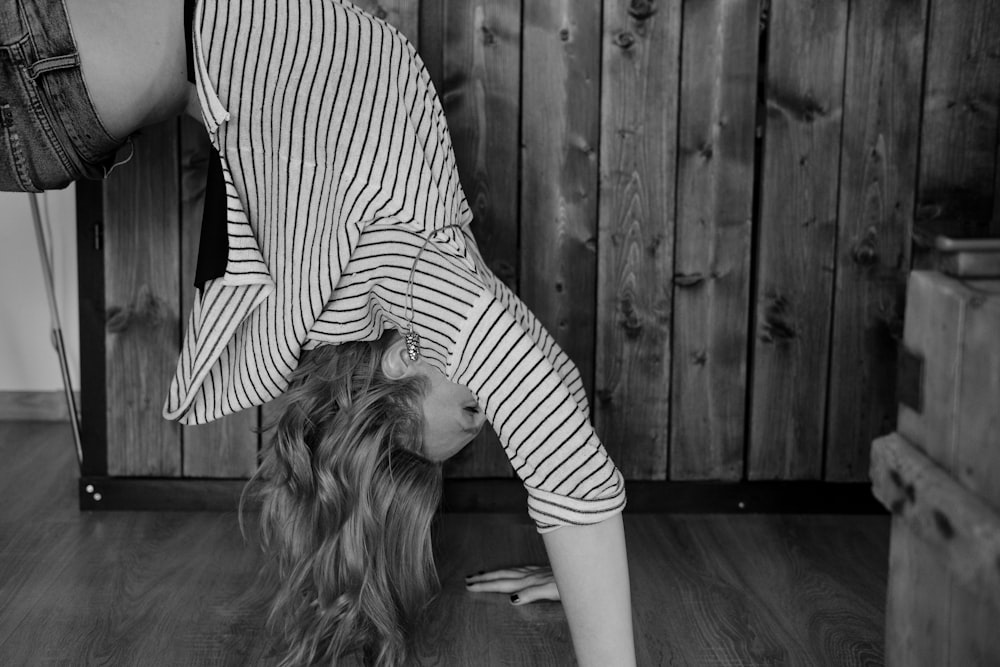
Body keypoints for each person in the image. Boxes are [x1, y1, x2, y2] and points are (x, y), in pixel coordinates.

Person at [2, 1, 637, 665]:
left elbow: (566, 461)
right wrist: (574, 576)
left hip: (52, 57)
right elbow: (557, 397)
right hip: (64, 67)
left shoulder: (418, 277)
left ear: (403, 357)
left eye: (476, 406)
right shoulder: (436, 254)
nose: (499, 408)